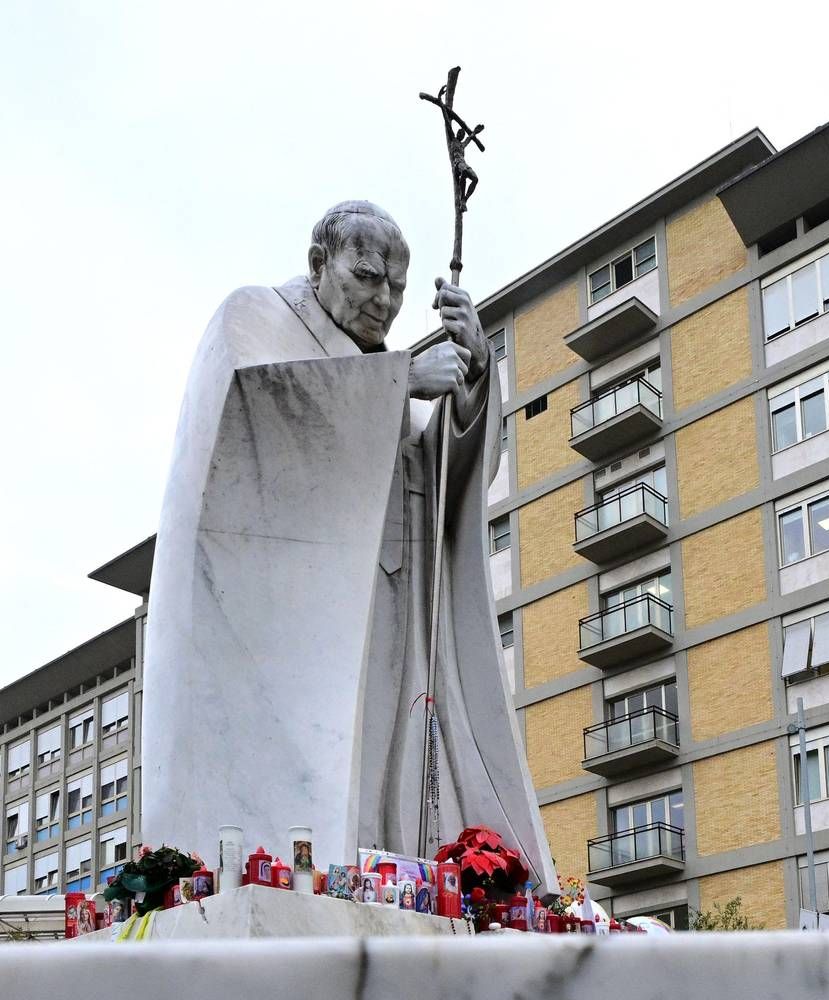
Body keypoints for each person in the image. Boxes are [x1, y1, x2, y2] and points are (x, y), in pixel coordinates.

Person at [143, 202, 555, 880]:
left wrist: (476, 378)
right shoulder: (255, 318)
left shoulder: (372, 366)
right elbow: (250, 411)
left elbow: (438, 471)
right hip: (293, 619)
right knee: (328, 765)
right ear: (318, 264)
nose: (385, 301)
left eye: (397, 287)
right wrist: (397, 383)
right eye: (367, 278)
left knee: (384, 762)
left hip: (389, 588)